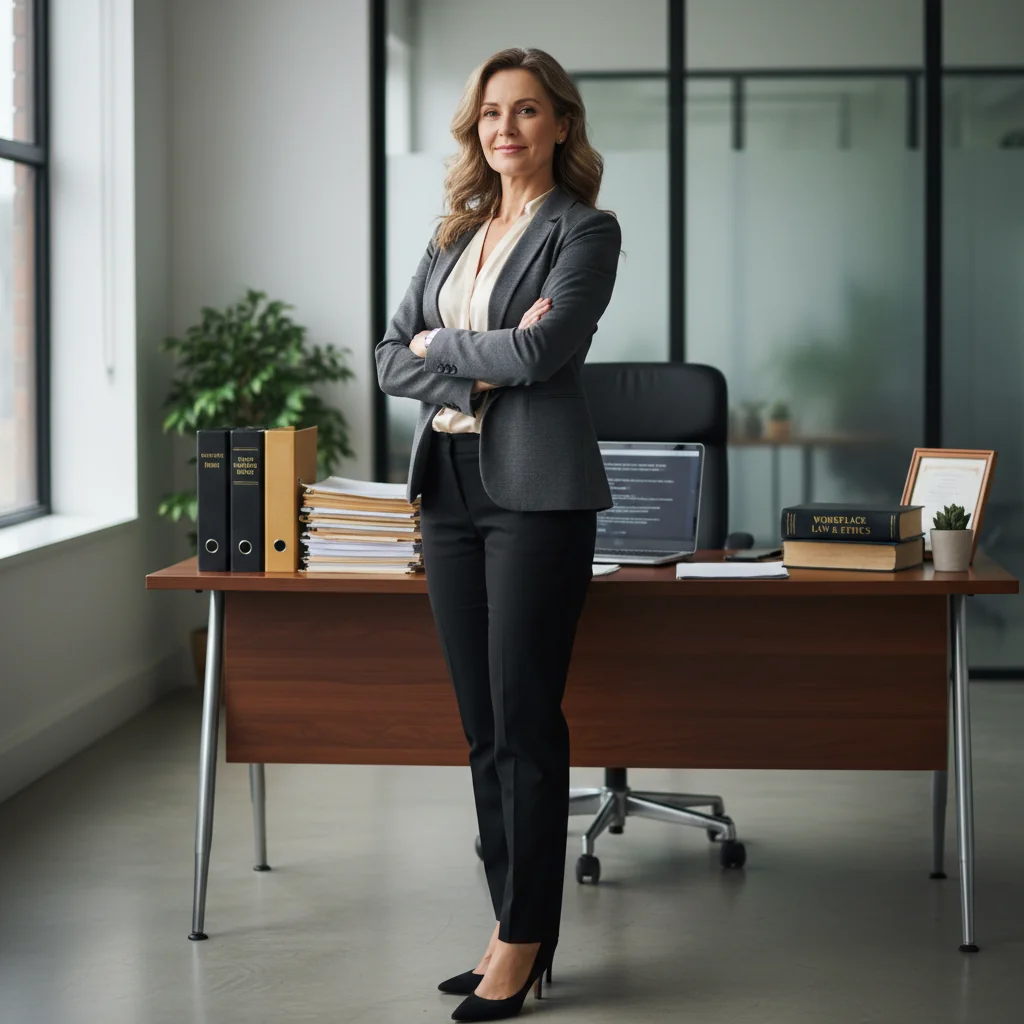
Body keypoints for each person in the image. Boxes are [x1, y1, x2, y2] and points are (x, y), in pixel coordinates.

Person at [375, 46, 620, 1022]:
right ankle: (503, 927)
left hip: (535, 496)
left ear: (560, 123)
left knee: (523, 719)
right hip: (448, 491)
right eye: (489, 115)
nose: (504, 130)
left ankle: (525, 939)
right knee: (480, 726)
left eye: (525, 112)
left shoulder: (584, 232)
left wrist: (452, 347)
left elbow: (542, 349)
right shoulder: (455, 234)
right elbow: (392, 354)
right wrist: (466, 364)